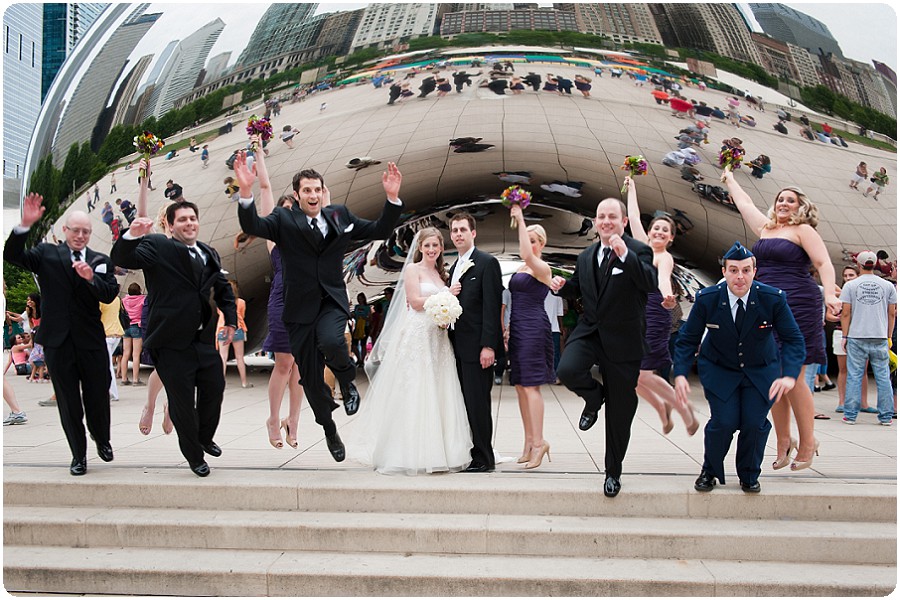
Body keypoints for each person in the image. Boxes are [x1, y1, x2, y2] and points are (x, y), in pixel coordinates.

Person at [235, 153, 404, 463]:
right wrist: (246, 193)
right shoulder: (284, 220)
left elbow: (379, 229)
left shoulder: (339, 216)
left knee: (331, 340)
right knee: (311, 382)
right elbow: (254, 224)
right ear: (297, 195)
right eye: (306, 191)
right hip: (298, 310)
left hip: (331, 300)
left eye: (317, 190)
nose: (312, 195)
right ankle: (329, 429)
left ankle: (347, 382)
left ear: (323, 192)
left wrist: (391, 199)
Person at [722, 170, 839, 472]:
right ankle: (784, 441)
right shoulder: (766, 228)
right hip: (766, 306)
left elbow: (823, 262)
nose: (785, 203)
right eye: (781, 199)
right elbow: (744, 202)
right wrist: (729, 178)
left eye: (791, 200)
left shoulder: (803, 231)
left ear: (801, 207)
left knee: (794, 376)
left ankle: (809, 441)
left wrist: (830, 295)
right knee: (769, 377)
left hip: (799, 304)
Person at [112, 201, 237, 477]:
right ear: (170, 224)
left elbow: (223, 289)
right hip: (170, 342)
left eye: (193, 218)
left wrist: (230, 318)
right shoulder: (157, 246)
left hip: (202, 339)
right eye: (182, 220)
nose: (189, 223)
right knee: (182, 402)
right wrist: (132, 235)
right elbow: (124, 257)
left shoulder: (209, 252)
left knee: (215, 387)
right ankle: (194, 456)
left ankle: (204, 437)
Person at [676, 242, 805, 494]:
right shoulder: (708, 299)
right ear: (724, 272)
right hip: (719, 369)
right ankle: (709, 470)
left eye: (746, 270)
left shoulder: (772, 299)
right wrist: (680, 373)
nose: (740, 277)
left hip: (760, 370)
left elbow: (793, 339)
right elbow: (687, 338)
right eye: (733, 270)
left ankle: (748, 474)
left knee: (754, 423)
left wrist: (789, 375)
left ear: (755, 271)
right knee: (723, 422)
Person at [550, 197, 658, 497]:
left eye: (613, 216)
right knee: (567, 369)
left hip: (624, 340)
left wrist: (627, 258)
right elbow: (583, 288)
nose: (606, 221)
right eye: (601, 216)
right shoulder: (586, 256)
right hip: (591, 330)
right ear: (596, 222)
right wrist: (563, 286)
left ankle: (613, 471)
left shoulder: (639, 250)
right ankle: (594, 399)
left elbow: (650, 283)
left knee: (620, 413)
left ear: (624, 221)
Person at [5, 200, 119, 476]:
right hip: (58, 342)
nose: (80, 236)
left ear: (90, 234)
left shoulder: (99, 261)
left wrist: (92, 279)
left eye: (86, 232)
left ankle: (101, 438)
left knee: (98, 396)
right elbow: (12, 255)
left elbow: (109, 293)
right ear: (65, 230)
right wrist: (24, 225)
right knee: (68, 402)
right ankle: (78, 455)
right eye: (75, 230)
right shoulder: (47, 254)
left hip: (91, 341)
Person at [353, 228, 472, 474]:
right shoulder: (412, 270)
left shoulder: (441, 273)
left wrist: (446, 310)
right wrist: (445, 296)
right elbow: (415, 302)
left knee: (440, 391)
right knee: (416, 389)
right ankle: (408, 452)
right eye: (427, 245)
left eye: (435, 246)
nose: (431, 250)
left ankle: (442, 450)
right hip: (418, 335)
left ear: (440, 248)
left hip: (437, 338)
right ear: (419, 247)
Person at [624, 177, 698, 436]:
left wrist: (668, 298)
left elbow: (664, 280)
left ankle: (683, 409)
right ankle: (663, 409)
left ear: (670, 238)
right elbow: (633, 217)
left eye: (664, 231)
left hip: (655, 312)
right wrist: (631, 187)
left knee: (642, 374)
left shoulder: (664, 257)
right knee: (633, 376)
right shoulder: (643, 247)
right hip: (636, 314)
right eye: (656, 228)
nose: (659, 232)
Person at [251, 138, 305, 449]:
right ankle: (274, 418)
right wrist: (259, 152)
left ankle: (293, 420)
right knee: (284, 363)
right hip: (282, 302)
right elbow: (267, 190)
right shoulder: (274, 239)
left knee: (299, 367)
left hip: (304, 304)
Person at [447, 213, 503, 472]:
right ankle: (471, 451)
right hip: (456, 347)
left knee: (479, 402)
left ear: (473, 233)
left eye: (462, 230)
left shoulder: (486, 263)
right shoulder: (454, 266)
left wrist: (489, 346)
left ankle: (484, 457)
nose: (458, 234)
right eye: (454, 230)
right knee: (465, 403)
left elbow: (492, 308)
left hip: (477, 348)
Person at [507, 206, 556, 469]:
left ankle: (539, 443)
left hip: (534, 328)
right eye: (530, 239)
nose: (530, 245)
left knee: (531, 386)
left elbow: (525, 251)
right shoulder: (523, 267)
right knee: (519, 386)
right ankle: (529, 442)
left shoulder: (542, 267)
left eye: (535, 241)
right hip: (517, 327)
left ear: (542, 244)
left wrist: (520, 218)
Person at [840, 251, 897, 426]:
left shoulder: (850, 285)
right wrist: (888, 335)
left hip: (857, 335)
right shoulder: (888, 286)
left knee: (854, 375)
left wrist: (844, 335)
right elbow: (892, 313)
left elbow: (846, 313)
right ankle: (886, 415)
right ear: (875, 264)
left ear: (859, 265)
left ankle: (850, 415)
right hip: (879, 336)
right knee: (883, 376)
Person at [834, 265, 871, 413]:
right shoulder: (838, 295)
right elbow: (829, 315)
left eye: (851, 275)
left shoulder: (864, 294)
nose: (848, 278)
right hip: (840, 333)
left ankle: (863, 403)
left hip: (860, 334)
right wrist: (840, 316)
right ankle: (842, 402)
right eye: (846, 275)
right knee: (843, 370)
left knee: (863, 370)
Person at [217, 280, 251, 388]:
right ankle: (244, 382)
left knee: (222, 357)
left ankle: (220, 383)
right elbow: (242, 315)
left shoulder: (220, 301)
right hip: (237, 329)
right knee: (240, 357)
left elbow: (219, 313)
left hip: (223, 329)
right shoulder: (241, 302)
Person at [119, 283, 146, 386]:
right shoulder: (142, 299)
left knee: (126, 353)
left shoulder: (124, 300)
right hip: (137, 327)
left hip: (126, 327)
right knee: (136, 354)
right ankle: (135, 379)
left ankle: (124, 378)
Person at [351, 293, 372, 366]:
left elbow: (370, 318)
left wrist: (364, 318)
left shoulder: (367, 307)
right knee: (353, 344)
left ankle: (362, 360)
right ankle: (358, 358)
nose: (359, 300)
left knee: (363, 344)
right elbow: (354, 315)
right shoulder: (356, 307)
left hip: (364, 327)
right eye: (358, 299)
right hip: (357, 327)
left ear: (364, 299)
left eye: (361, 298)